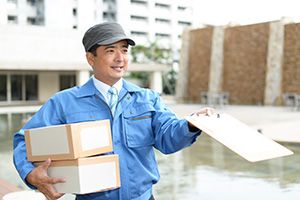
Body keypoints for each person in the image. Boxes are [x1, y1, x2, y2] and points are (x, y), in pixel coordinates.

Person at [13, 22, 214, 200]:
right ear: (91, 58)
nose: (120, 58)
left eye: (124, 50)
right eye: (110, 51)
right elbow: (24, 140)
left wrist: (191, 124)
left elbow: (168, 139)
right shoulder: (64, 103)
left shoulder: (147, 98)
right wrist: (30, 174)